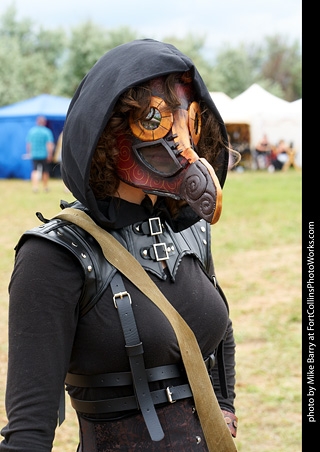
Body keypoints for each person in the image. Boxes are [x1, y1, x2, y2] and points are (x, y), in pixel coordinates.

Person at [0, 40, 238, 452]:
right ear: (106, 131)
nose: (178, 138)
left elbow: (218, 331)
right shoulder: (55, 256)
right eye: (154, 119)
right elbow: (28, 432)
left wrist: (223, 406)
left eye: (185, 116)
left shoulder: (188, 230)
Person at [26, 116, 54, 192]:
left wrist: (29, 153)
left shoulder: (32, 131)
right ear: (44, 123)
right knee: (45, 171)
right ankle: (45, 187)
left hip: (34, 154)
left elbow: (29, 144)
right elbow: (49, 144)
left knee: (34, 170)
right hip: (44, 154)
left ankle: (35, 187)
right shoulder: (47, 131)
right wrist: (50, 154)